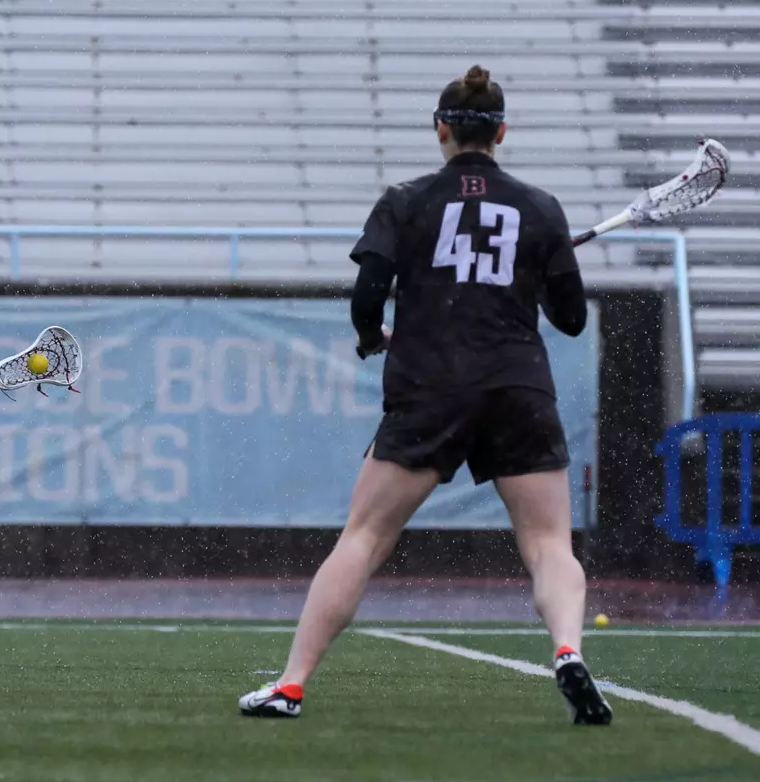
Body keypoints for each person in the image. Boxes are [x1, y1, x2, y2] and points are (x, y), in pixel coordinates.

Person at [240, 65, 611, 725]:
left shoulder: (405, 200)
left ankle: (291, 684)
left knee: (363, 537)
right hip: (515, 386)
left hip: (429, 386)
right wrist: (537, 277)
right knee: (549, 543)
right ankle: (566, 648)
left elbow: (365, 297)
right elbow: (572, 319)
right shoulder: (539, 209)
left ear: (440, 128)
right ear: (501, 131)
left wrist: (369, 335)